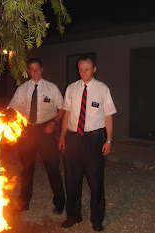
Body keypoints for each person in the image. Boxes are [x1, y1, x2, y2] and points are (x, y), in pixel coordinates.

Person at [58, 56, 117, 231]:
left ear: (94, 69)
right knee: (72, 179)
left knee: (96, 181)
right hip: (73, 138)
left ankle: (97, 219)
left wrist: (109, 139)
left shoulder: (102, 89)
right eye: (81, 69)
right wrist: (62, 136)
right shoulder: (71, 88)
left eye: (87, 69)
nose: (83, 72)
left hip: (94, 139)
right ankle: (73, 215)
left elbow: (108, 116)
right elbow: (67, 114)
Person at [8, 58, 65, 214]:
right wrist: (18, 127)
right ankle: (24, 202)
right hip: (27, 132)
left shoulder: (51, 88)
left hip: (46, 130)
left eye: (37, 68)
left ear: (42, 69)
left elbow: (62, 108)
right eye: (31, 69)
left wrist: (54, 123)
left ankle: (60, 203)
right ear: (28, 71)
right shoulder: (22, 89)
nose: (34, 72)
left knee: (53, 168)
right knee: (26, 169)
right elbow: (12, 110)